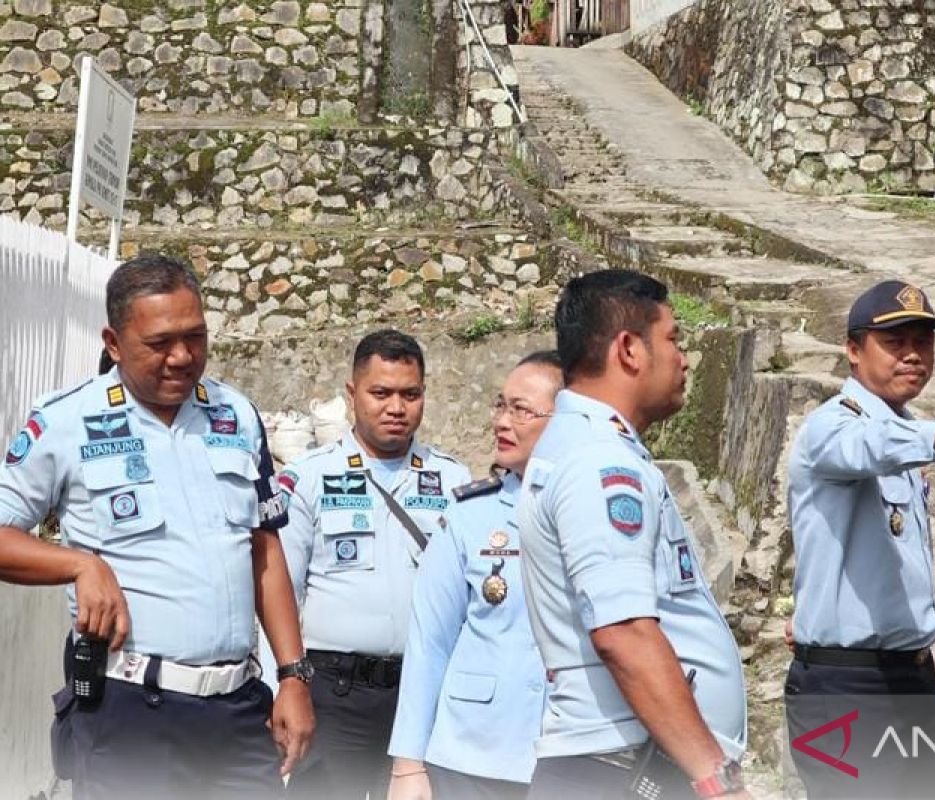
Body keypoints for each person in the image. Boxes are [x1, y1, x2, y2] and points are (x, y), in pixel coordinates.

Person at [0, 253, 314, 799]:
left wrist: (293, 676)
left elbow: (264, 550)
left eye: (196, 336)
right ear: (114, 342)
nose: (183, 357)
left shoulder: (235, 415)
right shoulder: (64, 420)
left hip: (240, 712)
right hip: (131, 714)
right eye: (160, 343)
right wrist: (80, 564)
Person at [517, 269, 748, 800]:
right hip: (625, 770)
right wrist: (719, 781)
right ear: (629, 349)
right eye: (672, 339)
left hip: (626, 764)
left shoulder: (588, 445)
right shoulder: (599, 462)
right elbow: (623, 633)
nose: (683, 359)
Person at [784, 280, 935, 799]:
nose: (913, 356)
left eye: (923, 342)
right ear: (854, 351)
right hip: (848, 685)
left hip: (912, 675)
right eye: (895, 342)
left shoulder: (904, 429)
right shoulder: (835, 426)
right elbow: (863, 447)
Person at [278, 329, 472, 800]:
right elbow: (280, 593)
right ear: (352, 394)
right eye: (380, 393)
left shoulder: (454, 480)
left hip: (424, 692)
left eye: (410, 394)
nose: (396, 407)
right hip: (332, 694)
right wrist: (283, 686)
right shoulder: (310, 477)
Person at [387, 351, 563, 800]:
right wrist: (408, 765)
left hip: (571, 749)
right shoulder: (471, 513)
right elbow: (430, 640)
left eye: (520, 410)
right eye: (500, 405)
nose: (502, 422)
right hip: (474, 750)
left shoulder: (596, 509)